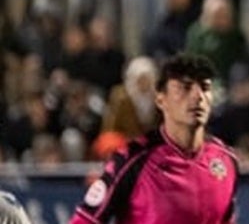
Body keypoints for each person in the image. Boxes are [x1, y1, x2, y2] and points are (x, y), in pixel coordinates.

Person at [69, 53, 239, 224]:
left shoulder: (226, 160)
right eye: (185, 88)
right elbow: (84, 220)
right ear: (160, 99)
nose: (198, 96)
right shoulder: (132, 160)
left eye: (205, 87)